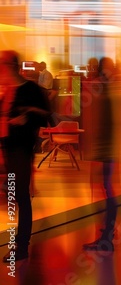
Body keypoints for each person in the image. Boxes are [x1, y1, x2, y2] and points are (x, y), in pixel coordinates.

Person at [0, 50, 50, 262]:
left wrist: (26, 116)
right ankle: (19, 244)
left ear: (10, 66)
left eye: (2, 65)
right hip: (8, 151)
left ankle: (21, 246)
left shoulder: (30, 89)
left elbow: (46, 115)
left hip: (20, 150)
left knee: (20, 196)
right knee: (15, 196)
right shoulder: (8, 92)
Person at [82, 57, 117, 252]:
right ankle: (108, 233)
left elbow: (100, 122)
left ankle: (106, 236)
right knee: (108, 190)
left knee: (107, 191)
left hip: (106, 150)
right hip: (108, 149)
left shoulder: (103, 87)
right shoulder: (108, 86)